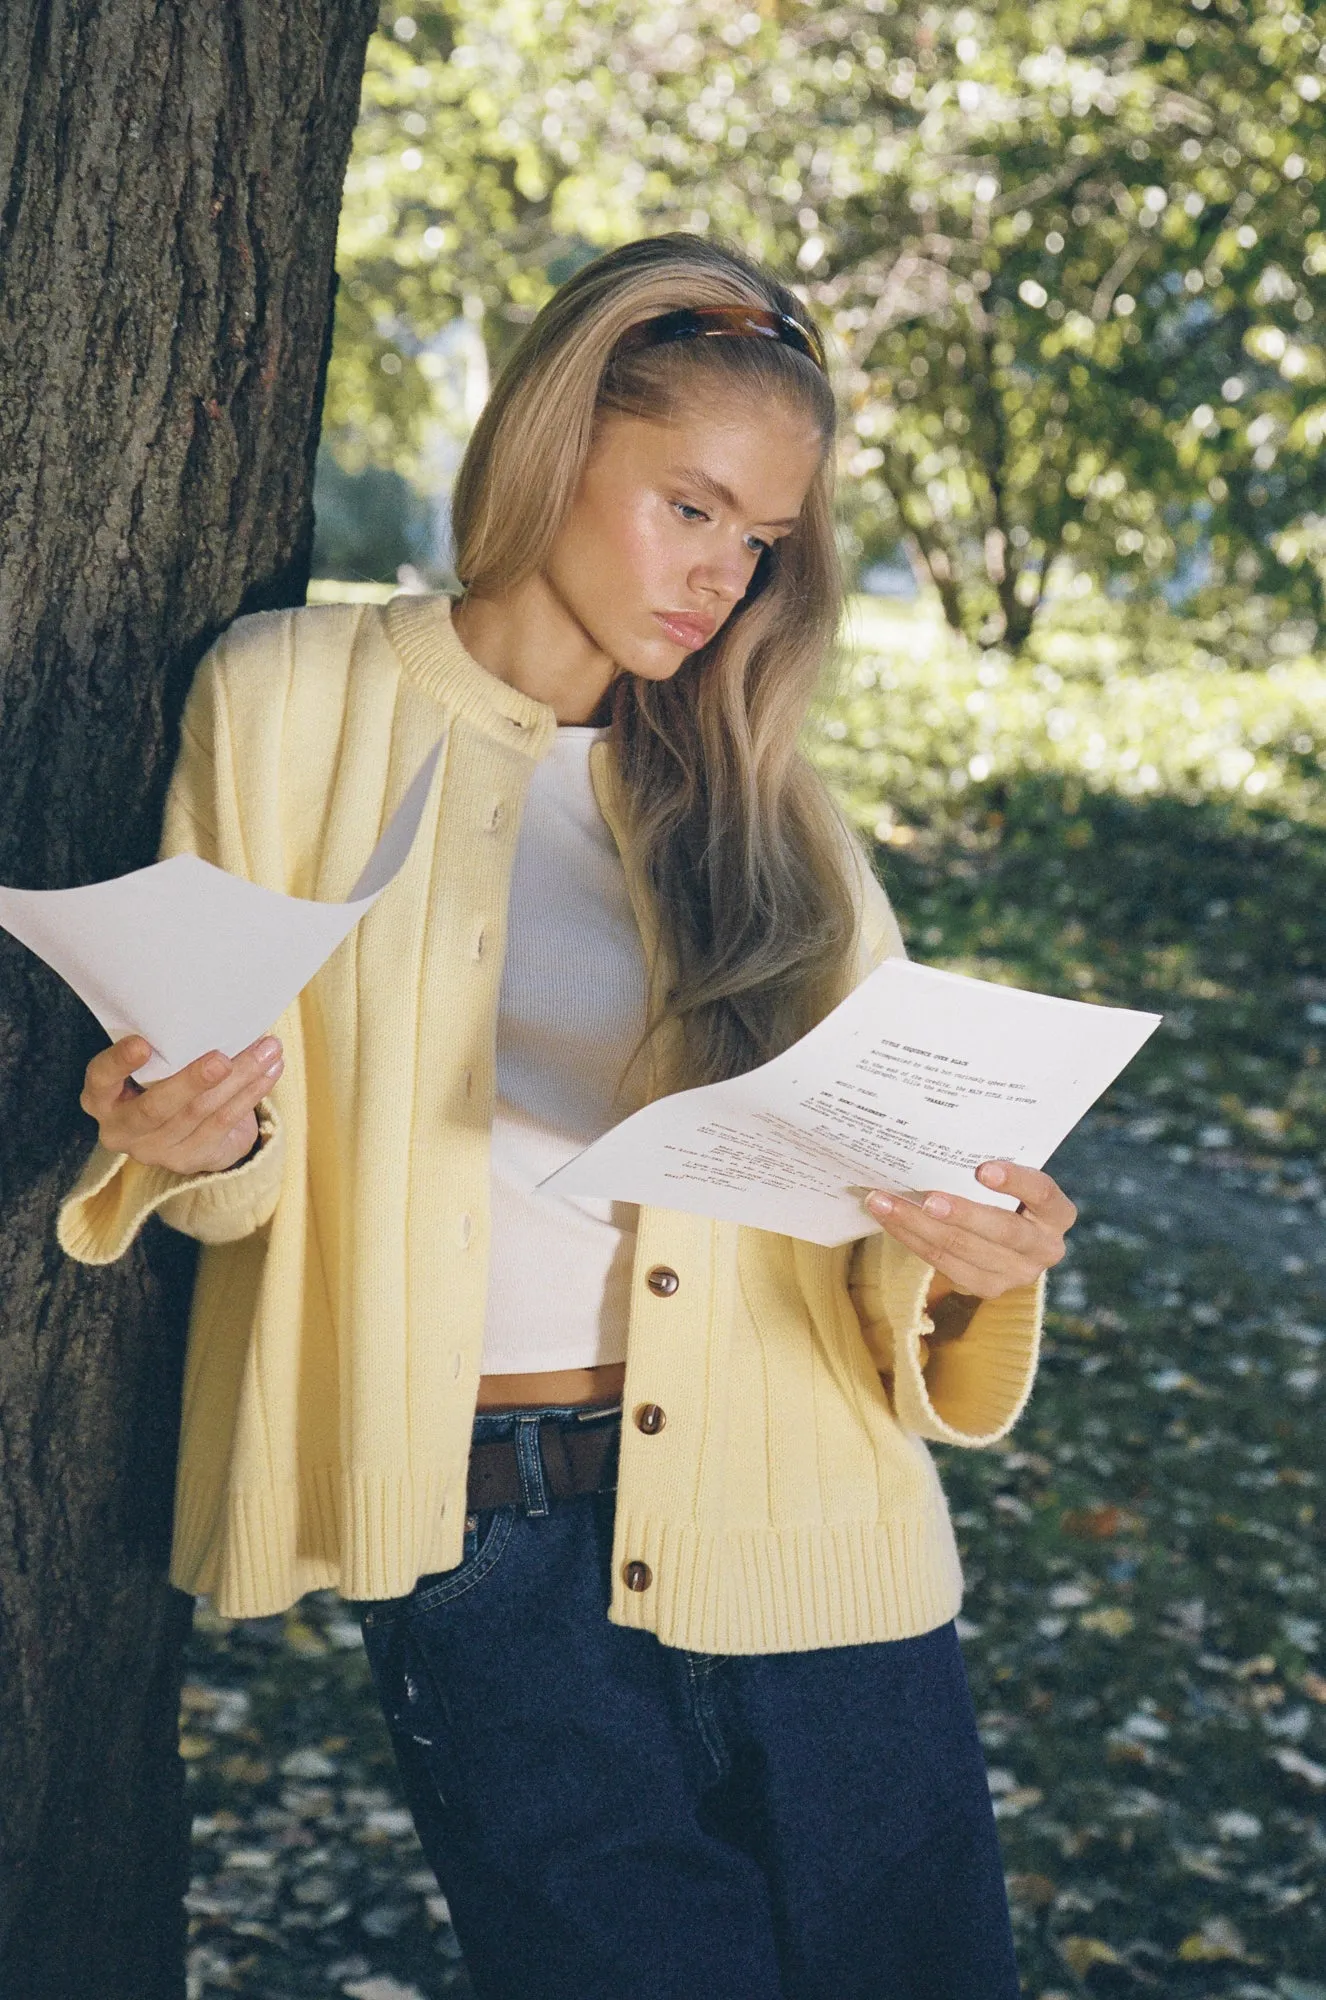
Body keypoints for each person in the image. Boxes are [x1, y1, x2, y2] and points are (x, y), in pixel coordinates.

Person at [61, 234, 1076, 1999]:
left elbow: (894, 1197)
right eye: (689, 507)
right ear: (555, 441)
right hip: (487, 1547)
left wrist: (980, 1256)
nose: (720, 577)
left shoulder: (770, 808)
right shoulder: (289, 697)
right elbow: (240, 1165)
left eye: (759, 541)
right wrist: (190, 1138)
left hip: (816, 1518)